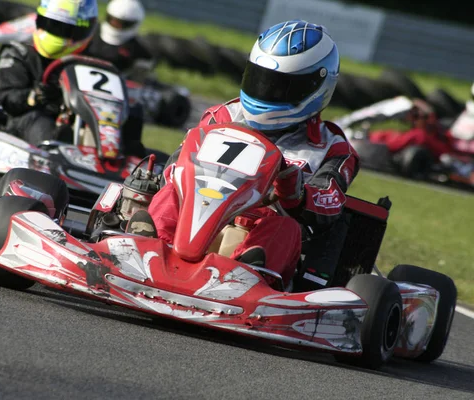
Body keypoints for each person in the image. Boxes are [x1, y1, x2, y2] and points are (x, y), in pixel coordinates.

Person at [140, 21, 360, 288]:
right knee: (170, 194)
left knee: (286, 229)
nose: (266, 90)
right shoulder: (223, 116)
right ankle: (147, 250)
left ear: (317, 87)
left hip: (259, 233)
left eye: (281, 86)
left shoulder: (331, 146)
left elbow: (331, 202)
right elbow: (176, 167)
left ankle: (246, 274)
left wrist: (298, 193)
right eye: (260, 79)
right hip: (198, 213)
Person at [0, 0, 99, 145]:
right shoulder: (20, 54)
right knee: (41, 122)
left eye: (67, 29)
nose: (59, 32)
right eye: (53, 25)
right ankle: (52, 152)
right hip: (25, 121)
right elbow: (8, 99)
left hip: (74, 124)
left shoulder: (89, 62)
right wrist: (35, 95)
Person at [83, 0, 155, 79]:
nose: (116, 25)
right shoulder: (88, 32)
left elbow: (139, 81)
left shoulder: (140, 52)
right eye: (113, 21)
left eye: (122, 24)